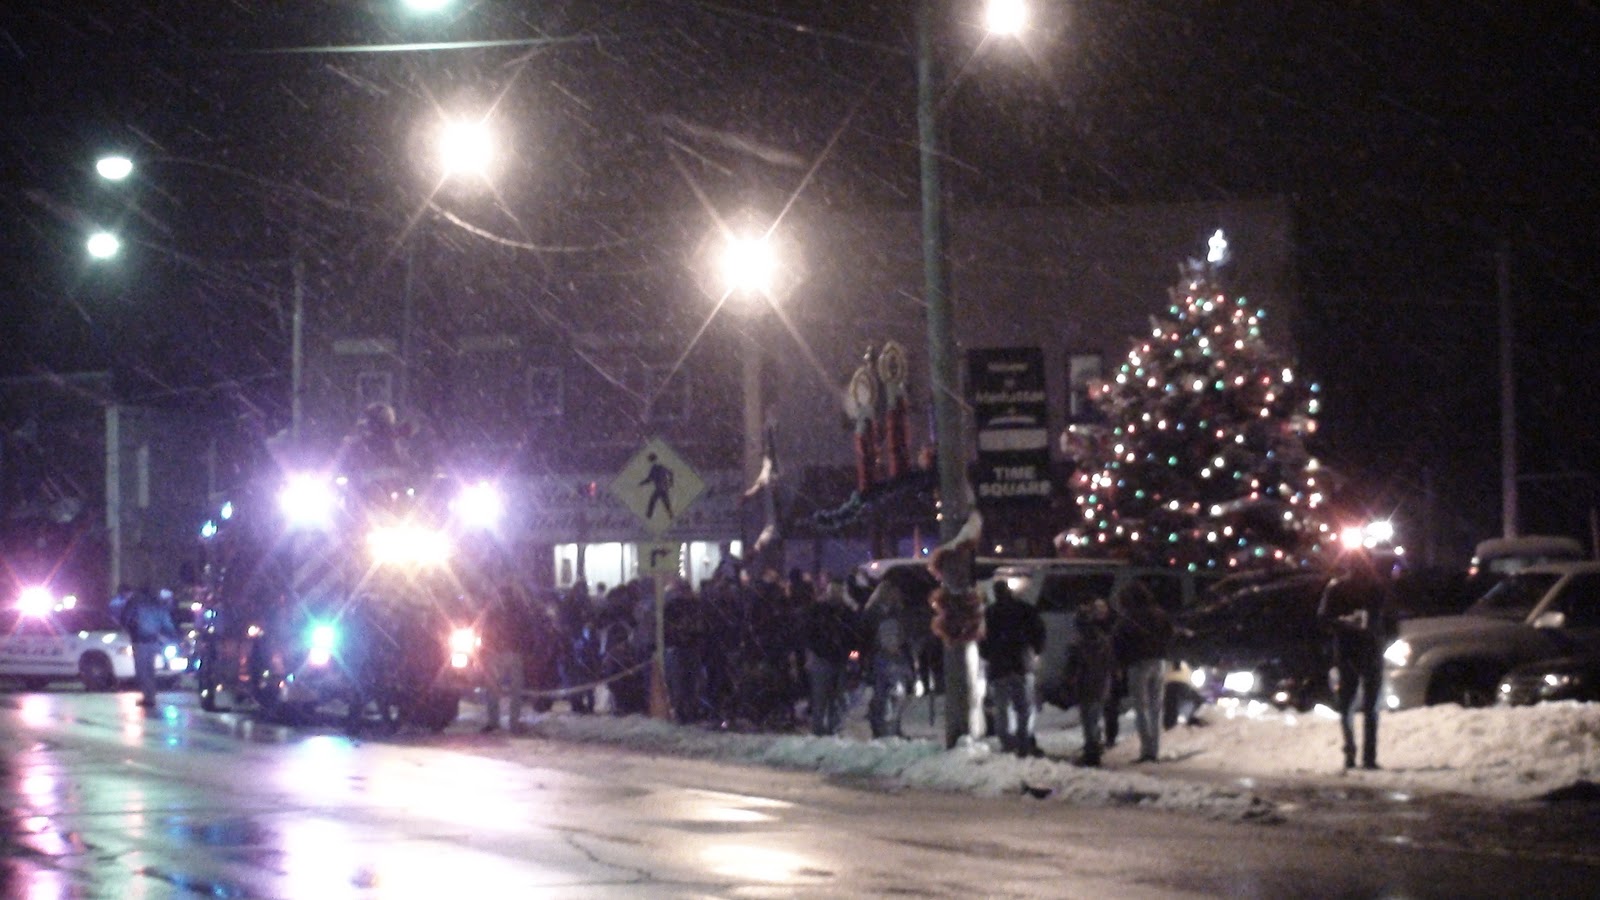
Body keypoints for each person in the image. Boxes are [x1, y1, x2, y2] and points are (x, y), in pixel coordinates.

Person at [1318, 552, 1395, 770]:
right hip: (1360, 652)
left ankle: (1355, 754)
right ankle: (1364, 757)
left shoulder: (1345, 589)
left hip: (1353, 652)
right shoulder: (1372, 588)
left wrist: (1343, 626)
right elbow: (1391, 622)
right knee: (1366, 707)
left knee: (1350, 705)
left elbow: (1323, 619)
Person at [979, 580, 1047, 756]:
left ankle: (1007, 741)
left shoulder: (990, 613)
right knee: (1023, 707)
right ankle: (1024, 741)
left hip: (998, 667)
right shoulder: (1025, 609)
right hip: (1021, 664)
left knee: (1001, 707)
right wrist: (1035, 651)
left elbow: (983, 641)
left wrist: (989, 656)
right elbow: (1039, 632)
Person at [1112, 580, 1176, 763]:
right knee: (1156, 708)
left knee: (1142, 708)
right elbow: (1170, 634)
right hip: (1159, 662)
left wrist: (1119, 665)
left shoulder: (1129, 617)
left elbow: (1118, 643)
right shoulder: (1159, 614)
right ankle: (1154, 749)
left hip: (1138, 664)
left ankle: (1146, 750)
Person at [862, 571, 917, 739]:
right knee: (881, 695)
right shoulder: (873, 614)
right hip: (881, 657)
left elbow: (905, 635)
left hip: (896, 657)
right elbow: (866, 637)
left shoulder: (897, 612)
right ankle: (880, 729)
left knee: (897, 694)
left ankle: (893, 727)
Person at [801, 581, 859, 736]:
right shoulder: (823, 611)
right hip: (825, 659)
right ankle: (821, 730)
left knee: (834, 698)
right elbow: (810, 635)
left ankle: (830, 730)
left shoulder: (843, 613)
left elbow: (854, 639)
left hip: (835, 660)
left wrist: (852, 658)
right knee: (823, 699)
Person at [1066, 597, 1117, 766]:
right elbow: (1110, 660)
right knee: (1094, 716)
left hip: (1086, 683)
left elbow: (1073, 665)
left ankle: (1092, 751)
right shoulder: (1102, 639)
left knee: (1088, 719)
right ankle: (1094, 747)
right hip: (1101, 682)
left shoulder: (1079, 642)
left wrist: (1069, 680)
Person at [480, 584, 534, 733]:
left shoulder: (494, 611)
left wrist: (486, 649)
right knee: (515, 690)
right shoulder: (519, 611)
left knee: (493, 689)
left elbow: (486, 631)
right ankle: (513, 723)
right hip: (513, 652)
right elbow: (526, 631)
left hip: (496, 653)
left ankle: (494, 721)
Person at [117, 585, 177, 708]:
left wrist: (128, 630)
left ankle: (148, 697)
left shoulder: (134, 604)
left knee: (142, 670)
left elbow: (126, 619)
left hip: (140, 640)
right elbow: (167, 622)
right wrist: (170, 635)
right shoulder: (157, 605)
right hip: (154, 641)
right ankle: (151, 695)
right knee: (150, 669)